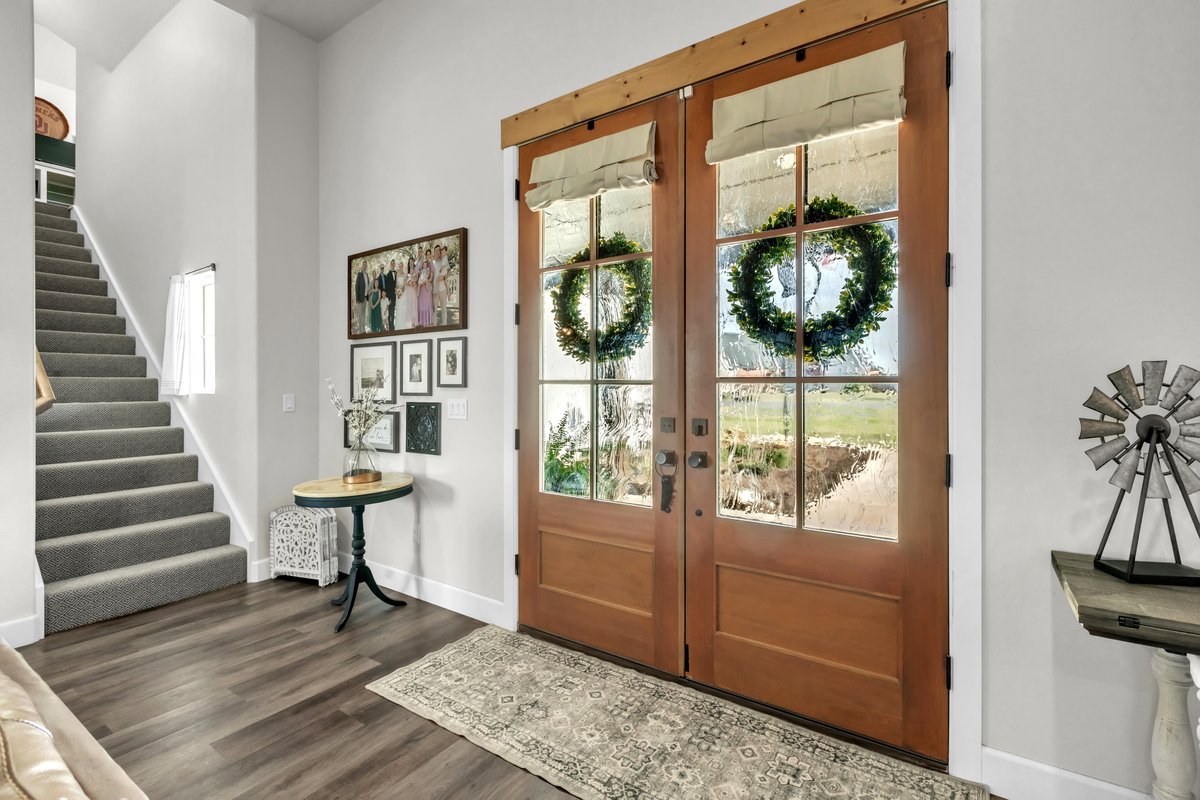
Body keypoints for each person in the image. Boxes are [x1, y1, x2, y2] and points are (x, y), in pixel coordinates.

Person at [417, 249, 435, 326]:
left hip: (427, 287)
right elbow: (418, 271)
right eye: (427, 254)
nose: (428, 256)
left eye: (429, 254)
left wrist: (424, 281)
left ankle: (427, 321)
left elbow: (431, 278)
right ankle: (422, 322)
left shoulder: (431, 265)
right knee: (421, 304)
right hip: (421, 289)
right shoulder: (423, 264)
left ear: (430, 255)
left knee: (427, 304)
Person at [384, 258, 399, 331]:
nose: (393, 264)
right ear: (390, 265)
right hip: (391, 297)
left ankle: (397, 326)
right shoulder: (388, 275)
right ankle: (391, 328)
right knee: (391, 312)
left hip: (398, 296)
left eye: (394, 263)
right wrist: (388, 298)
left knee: (397, 311)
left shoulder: (397, 273)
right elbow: (387, 288)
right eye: (392, 263)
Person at [353, 262, 369, 334]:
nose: (365, 266)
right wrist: (357, 298)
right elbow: (356, 286)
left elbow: (367, 286)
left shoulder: (367, 275)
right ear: (362, 266)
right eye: (364, 265)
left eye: (366, 265)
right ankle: (360, 331)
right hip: (360, 298)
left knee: (363, 314)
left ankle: (363, 330)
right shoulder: (359, 274)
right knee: (360, 315)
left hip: (365, 297)